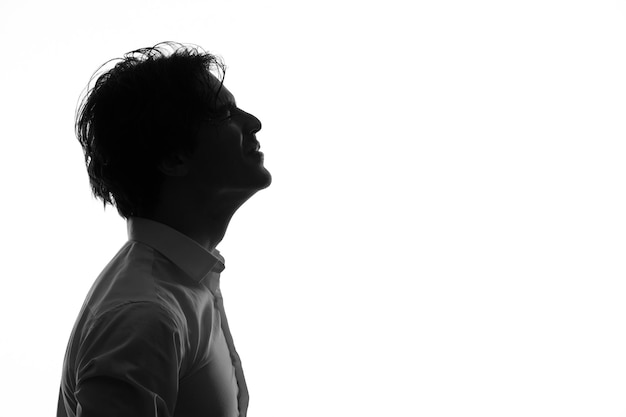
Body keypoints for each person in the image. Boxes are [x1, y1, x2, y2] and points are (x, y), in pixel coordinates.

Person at [56, 41, 271, 417]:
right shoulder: (143, 317)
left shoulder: (183, 285)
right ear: (173, 157)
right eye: (223, 114)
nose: (253, 122)